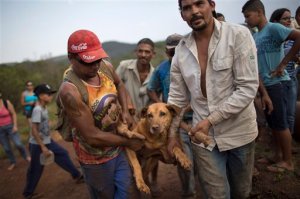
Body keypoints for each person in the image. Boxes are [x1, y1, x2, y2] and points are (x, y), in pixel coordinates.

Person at [167, 0, 259, 198]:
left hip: (239, 132)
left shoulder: (238, 35)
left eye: (199, 4)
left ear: (212, 4)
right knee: (216, 195)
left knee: (241, 192)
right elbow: (176, 98)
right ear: (182, 14)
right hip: (203, 139)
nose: (194, 11)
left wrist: (211, 120)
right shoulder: (181, 51)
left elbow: (247, 87)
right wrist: (172, 135)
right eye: (187, 8)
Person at [57, 29, 144, 199]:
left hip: (117, 145)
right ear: (71, 58)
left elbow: (119, 85)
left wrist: (125, 111)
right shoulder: (70, 91)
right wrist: (128, 142)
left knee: (125, 189)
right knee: (106, 194)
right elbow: (92, 136)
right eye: (88, 62)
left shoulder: (105, 67)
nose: (95, 66)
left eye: (97, 59)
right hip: (95, 158)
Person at [242, 0, 300, 173]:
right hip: (266, 86)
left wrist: (283, 63)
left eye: (248, 16)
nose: (246, 20)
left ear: (259, 13)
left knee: (281, 124)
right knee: (273, 123)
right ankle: (277, 156)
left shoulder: (274, 28)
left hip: (279, 83)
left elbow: (298, 37)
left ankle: (288, 162)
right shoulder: (255, 37)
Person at [147, 33, 196, 198]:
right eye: (171, 52)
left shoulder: (196, 63)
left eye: (178, 51)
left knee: (206, 159)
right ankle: (188, 193)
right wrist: (162, 106)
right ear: (166, 52)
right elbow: (151, 88)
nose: (175, 55)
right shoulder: (161, 69)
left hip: (200, 118)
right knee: (183, 159)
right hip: (177, 122)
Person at [23, 84, 83, 199]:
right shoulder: (37, 110)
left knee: (62, 154)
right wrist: (43, 147)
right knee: (36, 169)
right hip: (37, 144)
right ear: (40, 96)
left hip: (47, 141)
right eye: (48, 94)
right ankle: (28, 194)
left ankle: (77, 175)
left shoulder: (43, 108)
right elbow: (34, 131)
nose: (50, 96)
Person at [270, 8, 298, 136]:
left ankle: (288, 142)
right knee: (277, 115)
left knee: (290, 114)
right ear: (275, 21)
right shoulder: (272, 39)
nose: (288, 21)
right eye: (285, 18)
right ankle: (278, 145)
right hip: (275, 81)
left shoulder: (293, 39)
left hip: (290, 79)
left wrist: (288, 61)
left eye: (290, 18)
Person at [116, 38, 156, 118]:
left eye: (147, 52)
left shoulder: (156, 74)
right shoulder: (124, 66)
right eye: (140, 51)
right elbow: (112, 87)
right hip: (124, 117)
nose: (143, 55)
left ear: (153, 54)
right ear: (135, 52)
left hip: (146, 122)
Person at [0, 91, 30, 171]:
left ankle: (26, 157)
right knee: (6, 148)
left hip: (10, 126)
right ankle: (13, 162)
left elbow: (13, 113)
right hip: (0, 130)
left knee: (18, 144)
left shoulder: (6, 102)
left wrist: (15, 125)